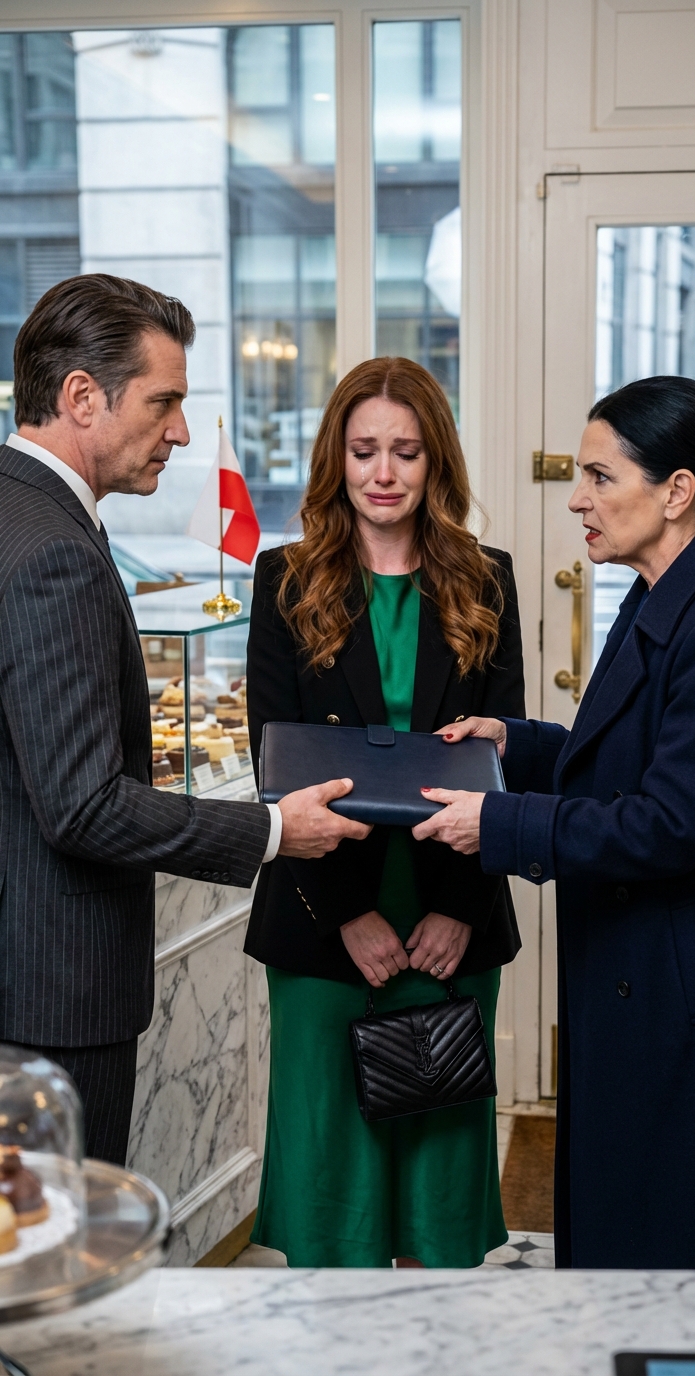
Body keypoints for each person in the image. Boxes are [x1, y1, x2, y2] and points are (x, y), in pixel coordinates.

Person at [0, 274, 369, 1166]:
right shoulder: (54, 551)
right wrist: (276, 831)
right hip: (50, 992)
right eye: (163, 402)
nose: (182, 431)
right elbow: (83, 806)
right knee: (65, 1233)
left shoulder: (23, 508)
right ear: (81, 396)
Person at [414, 375, 695, 1269]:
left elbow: (668, 824)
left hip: (685, 986)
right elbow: (631, 756)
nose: (577, 498)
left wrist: (501, 824)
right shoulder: (661, 590)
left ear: (677, 491)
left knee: (671, 1246)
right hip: (638, 967)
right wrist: (517, 742)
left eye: (600, 477)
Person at [245, 356, 525, 1267]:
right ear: (337, 457)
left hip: (452, 916)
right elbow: (278, 772)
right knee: (335, 1181)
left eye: (406, 451)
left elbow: (502, 760)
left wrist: (459, 909)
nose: (383, 473)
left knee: (434, 1184)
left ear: (436, 460)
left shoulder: (487, 579)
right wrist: (351, 915)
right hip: (324, 915)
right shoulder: (285, 579)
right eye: (364, 450)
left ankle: (425, 1340)